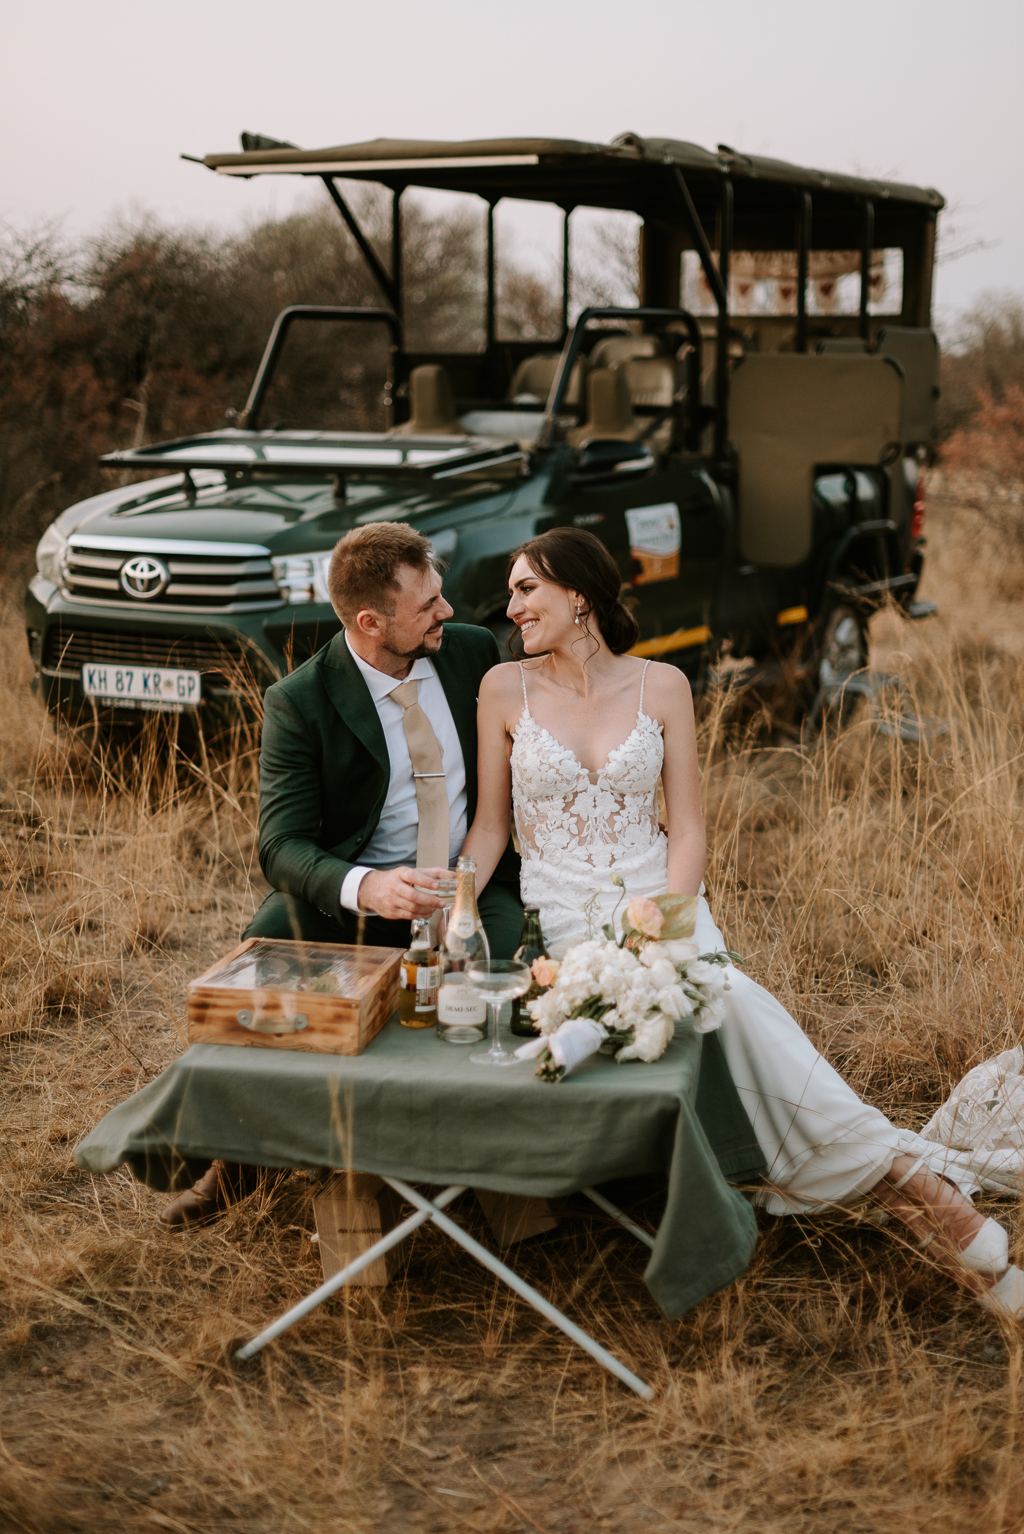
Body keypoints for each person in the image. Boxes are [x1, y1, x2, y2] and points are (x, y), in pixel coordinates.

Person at [458, 526, 1024, 1317]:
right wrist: (449, 901)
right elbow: (490, 829)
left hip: (665, 902)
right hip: (567, 929)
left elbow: (687, 828)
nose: (512, 606)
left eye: (526, 589)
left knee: (732, 1007)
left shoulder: (662, 687)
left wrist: (667, 923)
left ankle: (933, 1205)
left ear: (578, 593)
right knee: (723, 1026)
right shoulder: (501, 689)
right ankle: (924, 1193)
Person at [159, 521, 522, 1227]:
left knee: (503, 969)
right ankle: (236, 1159)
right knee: (266, 947)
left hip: (474, 879)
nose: (448, 612)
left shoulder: (474, 654)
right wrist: (368, 887)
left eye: (442, 597)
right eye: (428, 607)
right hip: (359, 893)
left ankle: (489, 1161)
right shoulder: (301, 699)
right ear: (370, 622)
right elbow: (281, 845)